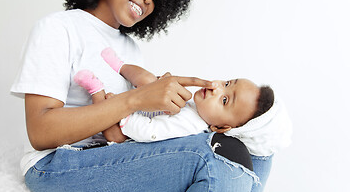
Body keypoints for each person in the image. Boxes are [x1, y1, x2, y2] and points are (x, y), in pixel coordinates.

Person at [10, 0, 277, 192]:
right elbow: (40, 132)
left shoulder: (130, 50)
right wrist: (136, 99)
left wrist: (162, 103)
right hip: (56, 166)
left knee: (257, 152)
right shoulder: (59, 28)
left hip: (115, 153)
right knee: (217, 155)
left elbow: (139, 123)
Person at [74, 47, 292, 159]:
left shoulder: (191, 125)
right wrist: (160, 85)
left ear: (221, 128)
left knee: (115, 136)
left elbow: (149, 132)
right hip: (143, 110)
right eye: (226, 83)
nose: (217, 87)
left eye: (224, 99)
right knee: (151, 79)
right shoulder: (196, 107)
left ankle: (96, 89)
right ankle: (119, 65)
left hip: (130, 136)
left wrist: (123, 112)